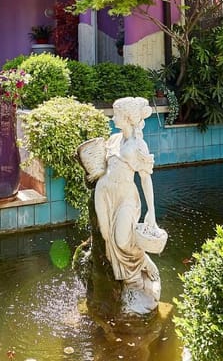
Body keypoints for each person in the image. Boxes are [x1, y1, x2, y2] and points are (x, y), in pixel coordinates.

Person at [93, 96, 162, 314]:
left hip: (125, 198)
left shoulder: (137, 146)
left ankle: (140, 273)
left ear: (128, 118)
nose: (114, 118)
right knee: (107, 237)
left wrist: (151, 211)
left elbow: (145, 179)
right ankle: (127, 284)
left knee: (122, 240)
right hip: (105, 195)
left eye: (117, 115)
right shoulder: (114, 140)